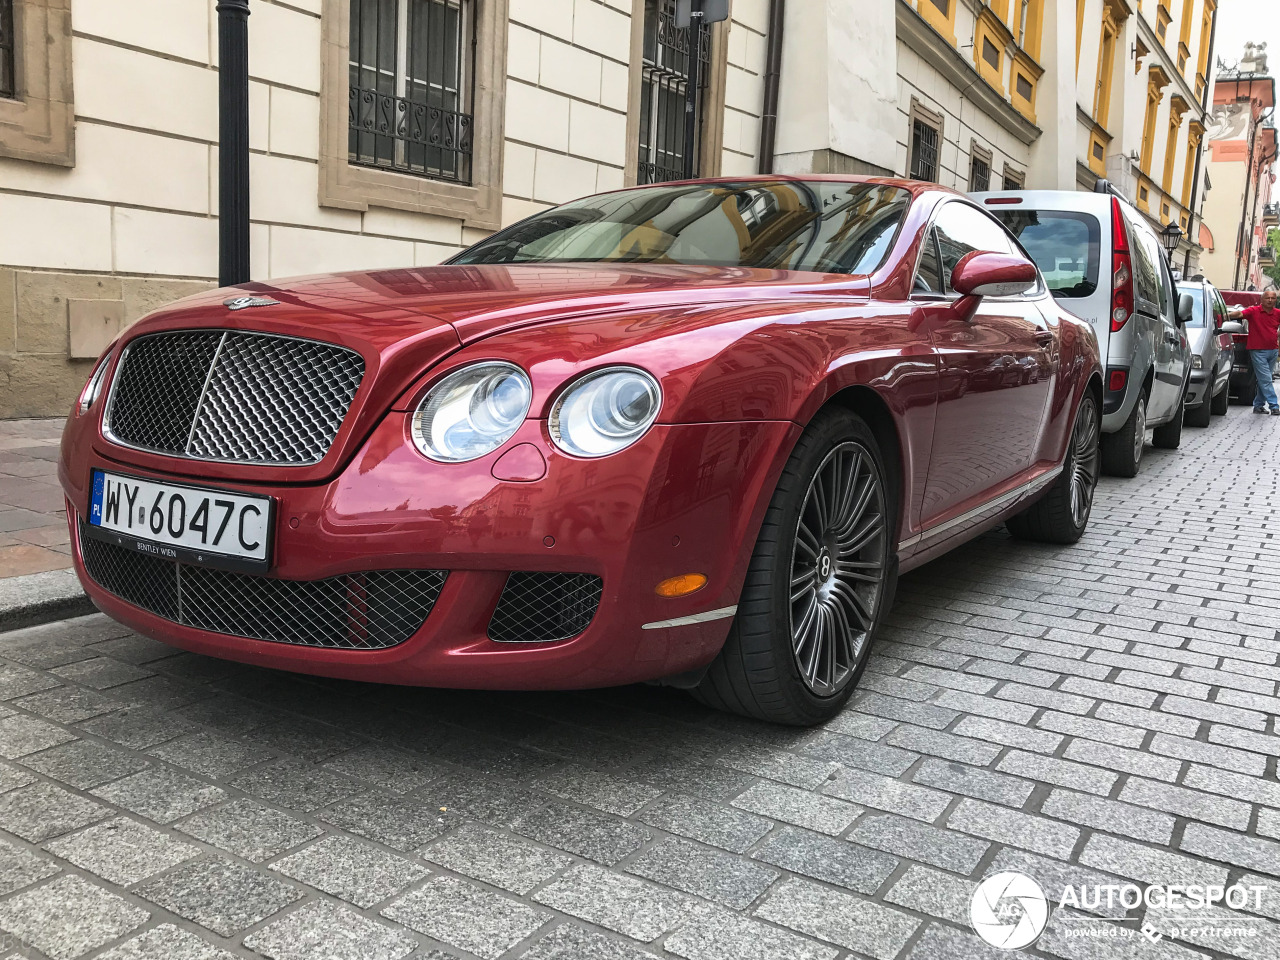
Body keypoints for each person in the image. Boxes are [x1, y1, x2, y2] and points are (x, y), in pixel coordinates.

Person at [1228, 289, 1280, 415]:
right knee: (1266, 378)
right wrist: (1225, 316)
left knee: (1263, 379)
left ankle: (1258, 405)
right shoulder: (1254, 311)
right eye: (1267, 298)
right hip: (1258, 350)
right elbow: (1240, 314)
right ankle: (1274, 405)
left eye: (1273, 298)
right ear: (1262, 299)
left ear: (1276, 300)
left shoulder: (1278, 313)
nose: (1270, 300)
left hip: (1273, 350)